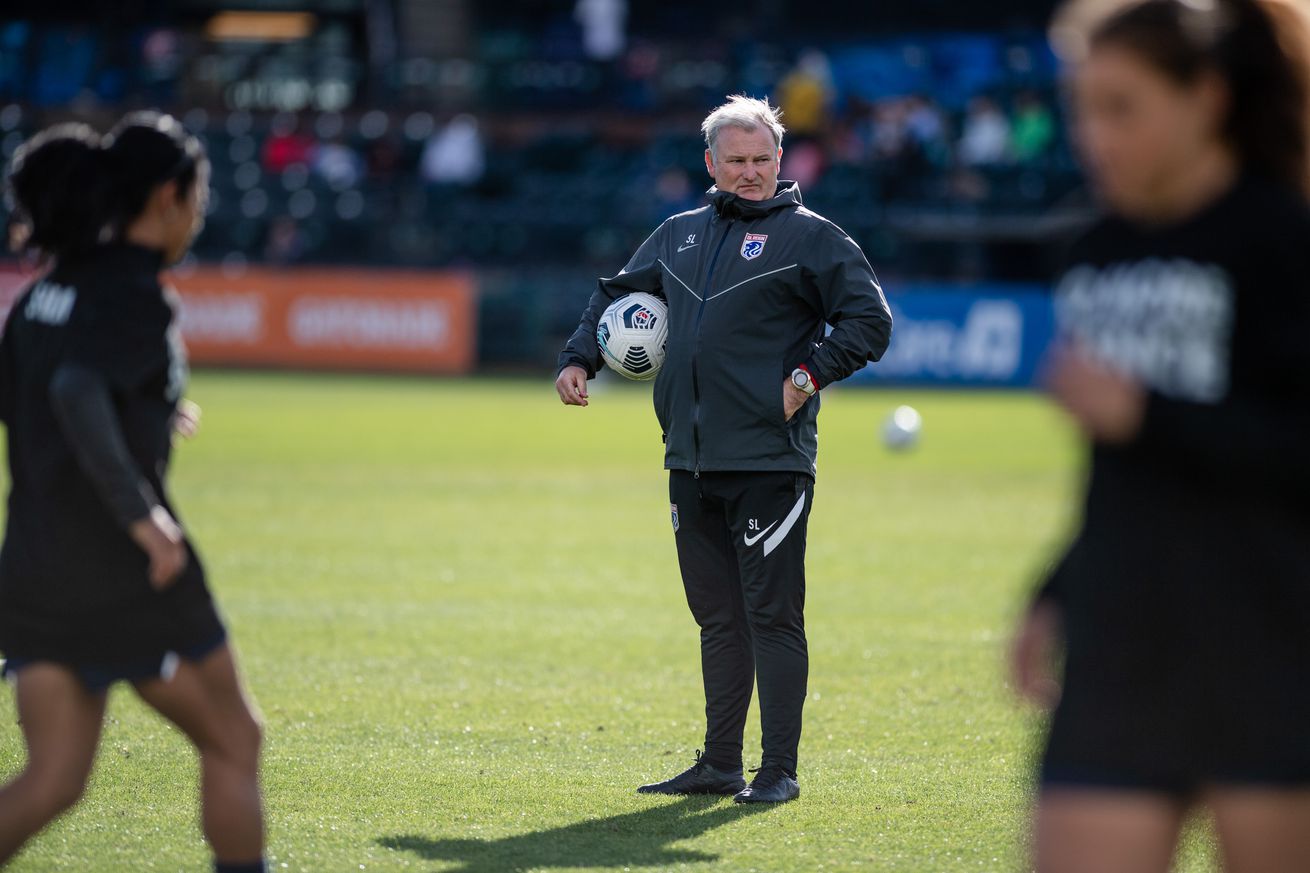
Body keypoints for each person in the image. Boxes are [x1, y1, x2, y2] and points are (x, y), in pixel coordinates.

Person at [1010, 1, 1310, 871]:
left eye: (1122, 107)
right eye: (1082, 108)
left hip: (1271, 649)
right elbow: (1126, 474)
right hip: (1123, 655)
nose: (1093, 137)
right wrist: (1058, 586)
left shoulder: (1281, 242)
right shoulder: (1096, 250)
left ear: (1206, 97)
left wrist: (1147, 411)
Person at [556, 95, 892, 804]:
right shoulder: (676, 234)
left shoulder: (814, 239)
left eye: (761, 159)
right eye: (736, 160)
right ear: (710, 162)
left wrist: (807, 376)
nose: (750, 172)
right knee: (717, 617)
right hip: (689, 458)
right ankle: (719, 763)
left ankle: (778, 771)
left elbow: (870, 320)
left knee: (772, 616)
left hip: (771, 460)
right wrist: (579, 357)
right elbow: (616, 294)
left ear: (781, 160)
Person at [0, 112, 265, 872]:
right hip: (127, 567)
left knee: (53, 779)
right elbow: (80, 390)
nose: (200, 211)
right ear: (165, 197)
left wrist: (146, 405)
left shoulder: (45, 296)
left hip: (35, 567)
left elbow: (39, 396)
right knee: (234, 737)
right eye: (198, 193)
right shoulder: (134, 297)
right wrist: (144, 518)